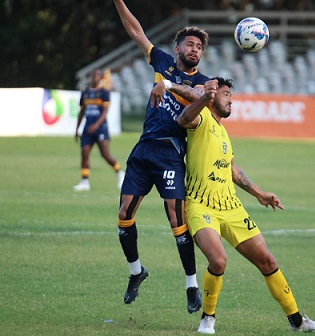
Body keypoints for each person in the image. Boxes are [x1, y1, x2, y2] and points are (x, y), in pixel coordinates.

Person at [177, 78, 315, 334]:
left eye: (232, 97)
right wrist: (203, 98)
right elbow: (183, 119)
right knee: (218, 261)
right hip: (201, 206)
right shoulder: (201, 119)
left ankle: (298, 322)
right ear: (214, 96)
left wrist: (260, 194)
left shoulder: (223, 131)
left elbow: (231, 169)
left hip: (231, 207)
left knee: (268, 261)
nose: (231, 100)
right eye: (227, 95)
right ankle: (208, 319)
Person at [113, 0, 210, 313]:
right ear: (178, 46)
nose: (194, 49)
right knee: (123, 215)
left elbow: (199, 97)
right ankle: (136, 272)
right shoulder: (162, 61)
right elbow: (136, 31)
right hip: (143, 148)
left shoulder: (201, 82)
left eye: (199, 47)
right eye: (190, 44)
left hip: (170, 153)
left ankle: (191, 284)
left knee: (176, 218)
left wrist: (168, 85)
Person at [74, 68, 125, 191]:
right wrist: (77, 128)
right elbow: (81, 112)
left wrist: (96, 125)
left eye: (97, 75)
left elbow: (105, 112)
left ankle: (120, 173)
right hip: (87, 129)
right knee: (84, 154)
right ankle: (85, 181)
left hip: (101, 128)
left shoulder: (104, 93)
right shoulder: (85, 93)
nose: (95, 77)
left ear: (101, 77)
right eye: (93, 75)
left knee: (105, 155)